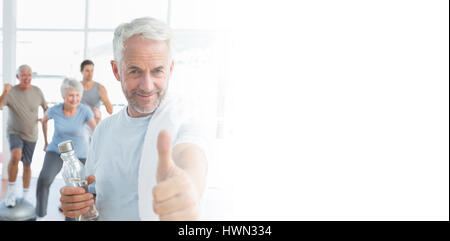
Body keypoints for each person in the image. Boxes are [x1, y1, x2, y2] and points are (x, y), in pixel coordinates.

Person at [59, 17, 208, 221]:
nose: (147, 85)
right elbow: (95, 194)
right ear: (116, 70)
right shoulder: (103, 130)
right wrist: (78, 203)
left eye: (157, 71)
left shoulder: (183, 122)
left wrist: (188, 188)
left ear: (170, 69)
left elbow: (192, 159)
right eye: (135, 71)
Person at [35, 78, 96, 219]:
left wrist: (96, 150)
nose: (74, 99)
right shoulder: (55, 110)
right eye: (71, 95)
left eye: (77, 95)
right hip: (56, 151)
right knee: (44, 179)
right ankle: (40, 215)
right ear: (63, 96)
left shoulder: (85, 110)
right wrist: (45, 142)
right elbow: (44, 121)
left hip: (80, 153)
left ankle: (72, 218)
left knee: (77, 189)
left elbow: (96, 130)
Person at [0, 65, 48, 207]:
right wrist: (5, 91)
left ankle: (25, 196)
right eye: (23, 75)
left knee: (27, 165)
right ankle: (11, 194)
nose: (27, 78)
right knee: (15, 156)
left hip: (31, 134)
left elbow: (46, 109)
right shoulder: (11, 92)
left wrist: (45, 117)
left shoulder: (37, 92)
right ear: (18, 77)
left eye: (29, 75)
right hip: (14, 131)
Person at [80, 59, 113, 124]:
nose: (90, 74)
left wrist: (105, 100)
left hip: (94, 124)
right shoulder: (76, 87)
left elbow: (110, 111)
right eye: (87, 71)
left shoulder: (100, 88)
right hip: (79, 125)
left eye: (92, 71)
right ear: (81, 71)